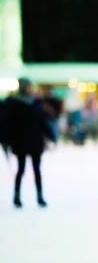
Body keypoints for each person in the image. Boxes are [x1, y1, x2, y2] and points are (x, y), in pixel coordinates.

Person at [5, 78, 56, 208]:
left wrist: (51, 136)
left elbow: (42, 121)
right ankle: (17, 196)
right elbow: (7, 124)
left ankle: (40, 196)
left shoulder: (36, 102)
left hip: (35, 140)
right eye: (28, 86)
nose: (30, 88)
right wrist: (7, 140)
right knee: (21, 169)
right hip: (20, 141)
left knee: (37, 170)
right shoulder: (13, 103)